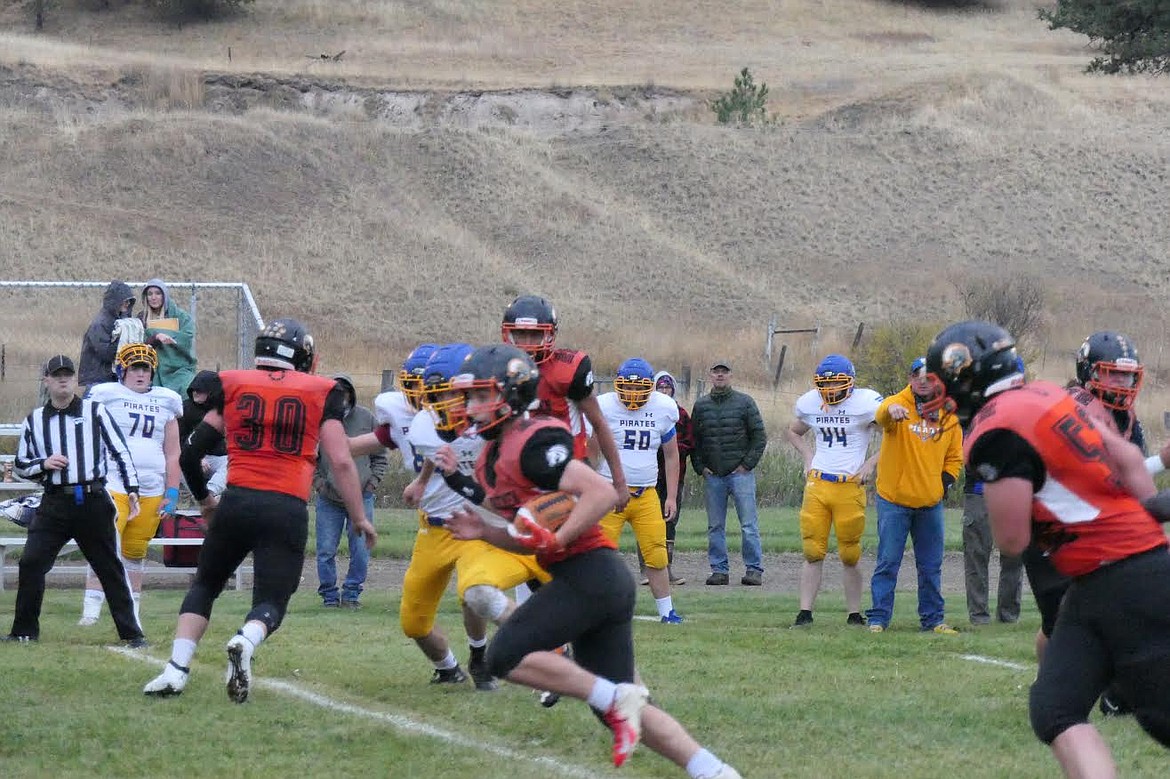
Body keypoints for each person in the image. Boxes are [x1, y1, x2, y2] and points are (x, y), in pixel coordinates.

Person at [442, 344, 741, 779]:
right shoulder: (490, 461)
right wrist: (485, 531)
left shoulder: (533, 441)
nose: (469, 408)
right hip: (595, 583)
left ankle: (614, 698)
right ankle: (715, 771)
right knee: (618, 705)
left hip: (592, 577)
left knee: (505, 655)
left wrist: (556, 537)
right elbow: (527, 537)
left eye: (478, 396)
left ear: (510, 395)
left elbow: (599, 493)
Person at [926, 319, 1170, 779]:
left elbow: (1013, 539)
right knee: (1055, 705)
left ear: (965, 376)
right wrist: (1138, 518)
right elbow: (1132, 461)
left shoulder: (995, 427)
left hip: (1120, 576)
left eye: (942, 383)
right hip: (1103, 577)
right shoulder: (1050, 396)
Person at [142, 318, 377, 702]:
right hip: (285, 506)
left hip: (236, 500)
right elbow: (340, 459)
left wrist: (205, 501)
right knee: (272, 600)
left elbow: (190, 454)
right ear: (304, 358)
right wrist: (359, 515)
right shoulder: (322, 391)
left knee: (205, 585)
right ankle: (245, 639)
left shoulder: (234, 383)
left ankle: (175, 668)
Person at [353, 343, 551, 691]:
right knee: (413, 623)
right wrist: (422, 479)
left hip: (479, 523)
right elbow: (437, 447)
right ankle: (450, 667)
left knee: (473, 591)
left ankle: (495, 654)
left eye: (450, 396)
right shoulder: (422, 425)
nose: (439, 406)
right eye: (434, 397)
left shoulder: (496, 424)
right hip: (433, 528)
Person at [4, 355, 146, 647]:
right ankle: (23, 632)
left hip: (92, 500)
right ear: (47, 381)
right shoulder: (35, 420)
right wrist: (44, 464)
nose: (63, 379)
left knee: (109, 567)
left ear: (74, 378)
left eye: (68, 374)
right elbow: (20, 465)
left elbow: (120, 451)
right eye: (57, 375)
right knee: (31, 563)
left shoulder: (96, 411)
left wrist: (132, 488)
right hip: (54, 503)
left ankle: (132, 634)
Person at [79, 343, 183, 627]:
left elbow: (173, 453)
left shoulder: (166, 400)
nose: (140, 373)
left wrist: (172, 493)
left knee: (135, 551)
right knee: (106, 546)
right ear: (122, 370)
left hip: (151, 487)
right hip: (114, 482)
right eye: (135, 367)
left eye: (145, 368)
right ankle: (91, 612)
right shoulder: (106, 395)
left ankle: (132, 614)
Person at [865, 357, 963, 634]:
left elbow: (955, 457)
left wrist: (942, 485)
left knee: (931, 566)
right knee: (887, 562)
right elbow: (882, 413)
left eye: (929, 375)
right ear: (909, 379)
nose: (922, 379)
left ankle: (933, 620)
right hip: (894, 501)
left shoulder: (948, 414)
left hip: (930, 504)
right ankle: (878, 619)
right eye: (916, 374)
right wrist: (891, 411)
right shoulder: (897, 404)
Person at [500, 295, 629, 504]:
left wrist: (620, 482)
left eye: (534, 335)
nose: (527, 343)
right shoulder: (498, 371)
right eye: (520, 334)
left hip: (568, 473)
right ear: (508, 334)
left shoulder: (568, 370)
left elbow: (599, 423)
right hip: (521, 475)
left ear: (550, 335)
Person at [785, 354, 881, 627]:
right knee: (812, 551)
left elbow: (895, 437)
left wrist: (870, 464)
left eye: (836, 384)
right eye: (824, 385)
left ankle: (853, 613)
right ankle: (804, 613)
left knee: (850, 553)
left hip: (849, 485)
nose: (829, 390)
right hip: (818, 484)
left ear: (850, 383)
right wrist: (807, 456)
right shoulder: (812, 404)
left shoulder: (863, 405)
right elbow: (793, 431)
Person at [596, 357, 683, 623]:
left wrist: (669, 496)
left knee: (657, 555)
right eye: (628, 387)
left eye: (639, 388)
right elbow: (590, 449)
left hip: (646, 494)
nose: (633, 393)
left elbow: (671, 455)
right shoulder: (604, 406)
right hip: (609, 493)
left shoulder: (663, 408)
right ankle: (596, 611)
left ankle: (666, 611)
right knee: (599, 557)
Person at [961, 355, 1025, 627]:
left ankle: (1008, 615)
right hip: (979, 489)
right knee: (977, 554)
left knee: (1014, 556)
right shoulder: (975, 409)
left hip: (1014, 490)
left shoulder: (1026, 410)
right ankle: (979, 616)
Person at [690, 361, 766, 586]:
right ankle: (719, 570)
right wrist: (700, 467)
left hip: (740, 474)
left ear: (730, 375)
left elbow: (759, 436)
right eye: (716, 372)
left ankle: (753, 569)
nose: (720, 376)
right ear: (710, 376)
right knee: (715, 525)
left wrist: (746, 465)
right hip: (714, 476)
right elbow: (694, 441)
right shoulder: (701, 406)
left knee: (748, 524)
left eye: (724, 372)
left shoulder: (745, 402)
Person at [313, 374, 386, 609]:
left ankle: (352, 593)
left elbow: (380, 454)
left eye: (345, 394)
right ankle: (330, 596)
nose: (341, 399)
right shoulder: (318, 420)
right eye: (336, 394)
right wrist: (319, 483)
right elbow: (310, 459)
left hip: (362, 495)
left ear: (351, 395)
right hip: (329, 499)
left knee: (361, 550)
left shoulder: (367, 418)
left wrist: (372, 482)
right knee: (325, 550)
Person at [653, 370, 693, 586]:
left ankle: (668, 567)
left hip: (674, 476)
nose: (664, 391)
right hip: (651, 476)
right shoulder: (647, 411)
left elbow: (689, 442)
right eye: (660, 387)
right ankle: (647, 568)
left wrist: (675, 450)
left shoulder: (681, 414)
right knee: (650, 522)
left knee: (670, 521)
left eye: (667, 387)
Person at [138, 279, 197, 396]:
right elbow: (140, 345)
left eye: (158, 293)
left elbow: (187, 337)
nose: (153, 297)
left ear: (164, 295)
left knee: (188, 389)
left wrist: (170, 337)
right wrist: (156, 337)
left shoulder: (181, 316)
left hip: (179, 369)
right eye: (150, 294)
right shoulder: (141, 318)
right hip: (152, 370)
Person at [78, 280, 136, 390]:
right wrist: (124, 338)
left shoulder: (122, 320)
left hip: (112, 376)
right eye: (124, 301)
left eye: (129, 301)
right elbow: (106, 353)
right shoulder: (100, 323)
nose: (127, 304)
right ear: (115, 302)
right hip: (97, 378)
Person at [180, 370, 228, 497]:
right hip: (190, 455)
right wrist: (198, 458)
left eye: (200, 390)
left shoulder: (220, 409)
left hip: (217, 457)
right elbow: (179, 438)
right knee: (178, 463)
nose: (195, 393)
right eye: (194, 389)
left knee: (231, 464)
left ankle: (210, 494)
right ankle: (200, 497)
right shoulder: (184, 408)